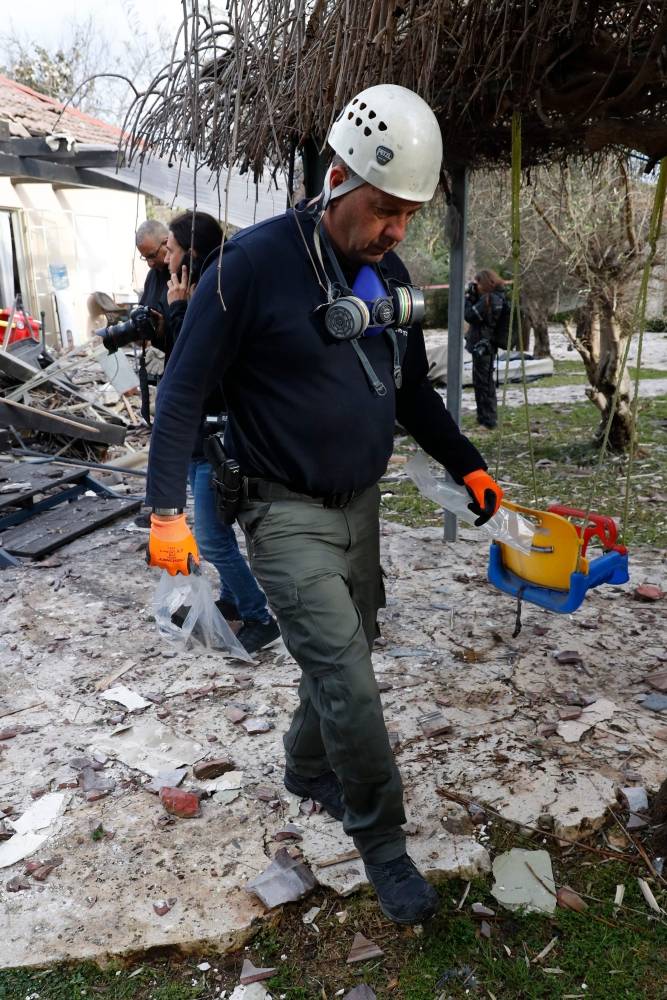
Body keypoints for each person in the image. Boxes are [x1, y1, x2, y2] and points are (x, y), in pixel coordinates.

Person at [144, 84, 503, 926]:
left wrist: (469, 463)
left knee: (353, 648)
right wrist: (166, 512)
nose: (395, 232)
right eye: (384, 210)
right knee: (349, 679)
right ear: (338, 178)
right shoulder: (252, 266)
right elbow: (182, 394)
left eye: (409, 215)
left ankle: (305, 767)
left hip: (361, 505)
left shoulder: (388, 273)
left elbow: (410, 393)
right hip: (279, 510)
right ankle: (382, 843)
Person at [164, 210, 279, 654]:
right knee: (217, 532)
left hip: (214, 438)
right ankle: (233, 600)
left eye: (171, 250)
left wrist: (177, 312)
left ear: (191, 255)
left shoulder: (214, 296)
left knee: (211, 537)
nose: (166, 260)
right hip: (203, 435)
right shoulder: (200, 291)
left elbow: (192, 369)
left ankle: (256, 615)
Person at [464, 269, 510, 430]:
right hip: (489, 344)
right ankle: (487, 417)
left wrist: (468, 299)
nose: (475, 287)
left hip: (482, 344)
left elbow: (470, 315)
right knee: (487, 381)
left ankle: (487, 420)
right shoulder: (498, 297)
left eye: (477, 284)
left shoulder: (489, 299)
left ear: (483, 283)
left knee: (482, 383)